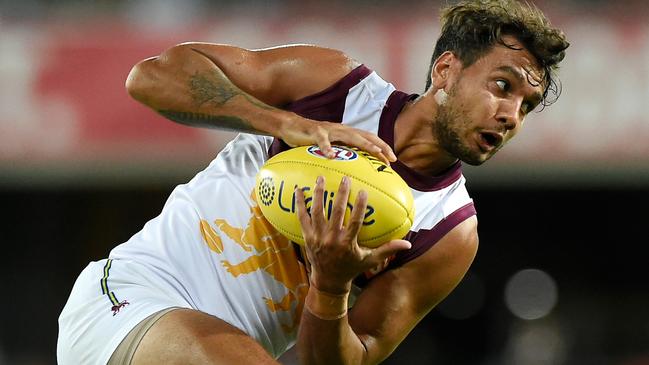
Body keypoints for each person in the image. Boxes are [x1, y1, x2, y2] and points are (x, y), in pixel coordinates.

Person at [57, 0, 569, 364]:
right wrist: (282, 123)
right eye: (502, 87)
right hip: (127, 299)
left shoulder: (449, 232)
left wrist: (330, 284)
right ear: (446, 70)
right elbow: (150, 76)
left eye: (525, 106)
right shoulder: (335, 87)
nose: (510, 116)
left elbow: (349, 359)